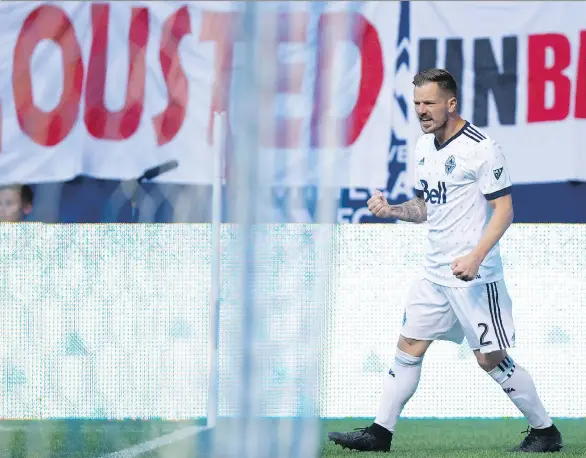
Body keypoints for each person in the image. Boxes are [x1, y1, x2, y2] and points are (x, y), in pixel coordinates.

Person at [328, 68, 562, 453]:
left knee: (491, 359)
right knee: (408, 347)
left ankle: (546, 432)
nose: (421, 110)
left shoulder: (481, 147)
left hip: (474, 277)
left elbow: (504, 210)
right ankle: (379, 432)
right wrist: (393, 210)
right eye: (417, 102)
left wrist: (475, 256)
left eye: (429, 103)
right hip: (434, 273)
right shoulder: (423, 147)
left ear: (451, 103)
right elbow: (425, 207)